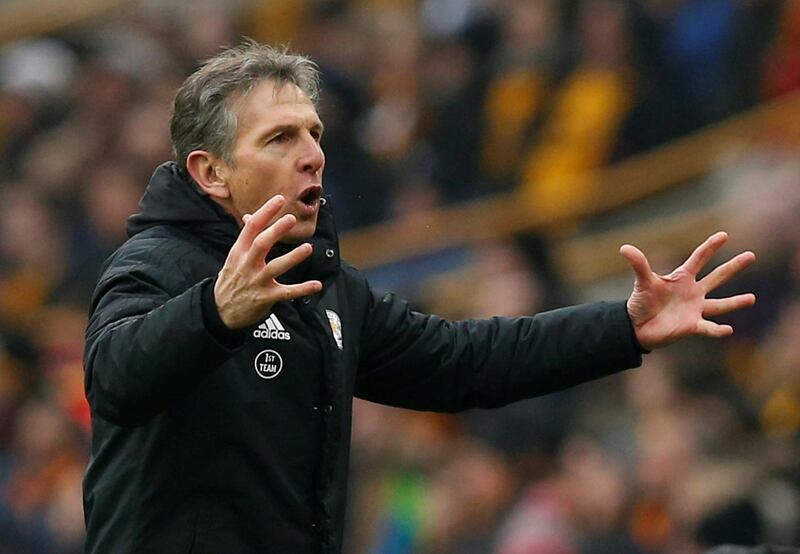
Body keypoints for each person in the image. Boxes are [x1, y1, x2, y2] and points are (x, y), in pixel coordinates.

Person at [82, 41, 756, 554]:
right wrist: (215, 313)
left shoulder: (325, 285)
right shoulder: (155, 265)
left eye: (314, 132)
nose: (313, 153)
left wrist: (622, 327)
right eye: (281, 138)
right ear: (211, 172)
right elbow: (114, 378)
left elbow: (465, 362)